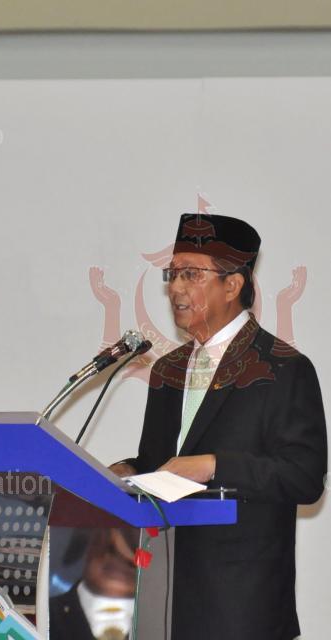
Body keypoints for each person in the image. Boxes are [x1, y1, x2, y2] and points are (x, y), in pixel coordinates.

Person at [110, 213, 328, 640]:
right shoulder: (168, 370)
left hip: (240, 610)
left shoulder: (283, 368)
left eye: (191, 274)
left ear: (233, 285)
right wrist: (125, 472)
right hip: (164, 600)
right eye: (173, 274)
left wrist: (213, 465)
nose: (176, 288)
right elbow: (161, 464)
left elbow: (304, 477)